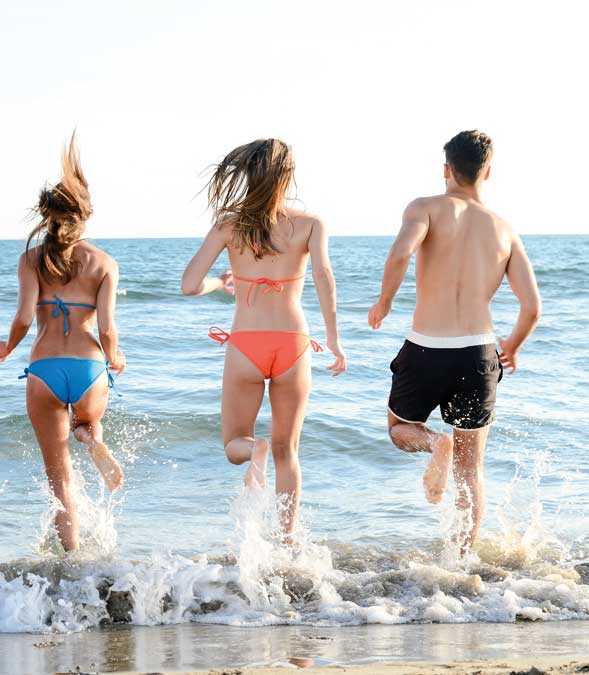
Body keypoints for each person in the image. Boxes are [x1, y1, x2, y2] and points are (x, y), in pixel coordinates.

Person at [368, 130, 541, 550]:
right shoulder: (504, 230)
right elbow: (532, 306)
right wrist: (512, 348)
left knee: (399, 428)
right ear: (487, 172)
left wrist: (384, 302)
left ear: (446, 169)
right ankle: (460, 564)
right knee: (470, 470)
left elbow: (400, 253)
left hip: (426, 345)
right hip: (479, 354)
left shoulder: (425, 208)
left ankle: (433, 442)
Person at [182, 138, 347, 537]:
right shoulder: (310, 225)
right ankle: (288, 540)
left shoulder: (228, 224)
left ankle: (252, 448)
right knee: (287, 451)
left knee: (234, 444)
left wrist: (219, 284)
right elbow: (324, 279)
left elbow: (189, 284)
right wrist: (334, 340)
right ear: (287, 177)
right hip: (293, 342)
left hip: (246, 344)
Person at [0, 133, 125, 553]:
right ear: (86, 215)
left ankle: (72, 558)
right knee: (86, 421)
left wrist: (6, 348)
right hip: (89, 369)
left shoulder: (31, 259)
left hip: (45, 369)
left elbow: (24, 318)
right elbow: (106, 330)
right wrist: (115, 356)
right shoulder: (104, 263)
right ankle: (90, 436)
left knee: (59, 478)